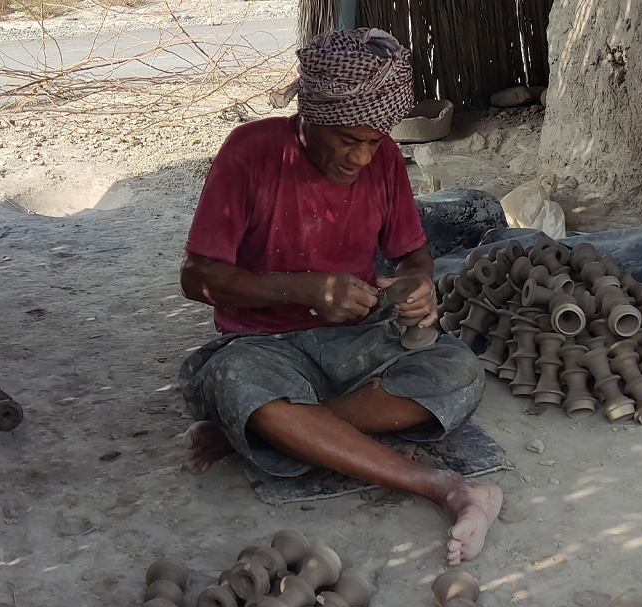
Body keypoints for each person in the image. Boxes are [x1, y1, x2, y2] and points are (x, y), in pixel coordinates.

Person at [176, 27, 501, 564]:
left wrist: (418, 285)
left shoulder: (384, 157)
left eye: (374, 141)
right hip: (264, 345)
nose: (362, 157)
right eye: (349, 140)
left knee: (458, 372)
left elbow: (413, 255)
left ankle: (270, 430)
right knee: (238, 381)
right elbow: (196, 278)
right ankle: (444, 487)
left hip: (357, 338)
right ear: (312, 116)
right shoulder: (250, 152)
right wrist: (303, 287)